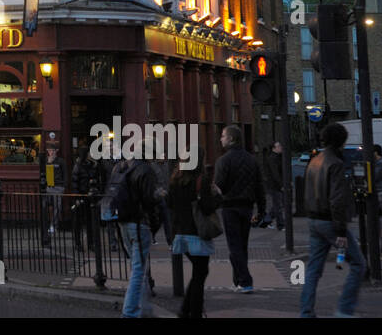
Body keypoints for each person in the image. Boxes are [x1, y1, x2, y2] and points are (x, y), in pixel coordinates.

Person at [301, 123, 365, 318]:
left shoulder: (314, 161)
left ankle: (306, 312)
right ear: (341, 141)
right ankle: (344, 310)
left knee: (313, 269)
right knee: (359, 265)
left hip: (314, 220)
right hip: (330, 221)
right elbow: (336, 200)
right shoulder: (335, 164)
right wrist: (340, 231)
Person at [105, 154, 162, 318]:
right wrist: (159, 196)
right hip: (139, 223)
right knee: (138, 269)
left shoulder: (121, 168)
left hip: (123, 222)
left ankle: (144, 309)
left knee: (138, 268)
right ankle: (130, 312)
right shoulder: (145, 170)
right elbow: (149, 200)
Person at [168, 150, 220, 318]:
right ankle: (193, 311)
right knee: (200, 272)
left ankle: (185, 310)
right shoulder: (201, 180)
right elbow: (207, 207)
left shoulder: (175, 180)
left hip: (180, 232)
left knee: (199, 271)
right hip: (197, 232)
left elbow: (169, 203)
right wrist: (218, 195)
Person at [214, 125, 266, 293]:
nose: (220, 138)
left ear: (231, 139)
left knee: (234, 245)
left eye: (223, 136)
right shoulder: (252, 160)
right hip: (247, 207)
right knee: (242, 244)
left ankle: (245, 281)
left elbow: (219, 186)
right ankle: (237, 280)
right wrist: (262, 209)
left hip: (230, 207)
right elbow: (259, 186)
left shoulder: (223, 161)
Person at [262, 141, 286, 231]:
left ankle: (266, 220)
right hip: (274, 185)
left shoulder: (278, 157)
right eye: (278, 146)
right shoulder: (272, 158)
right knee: (278, 205)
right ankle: (281, 225)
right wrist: (281, 185)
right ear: (273, 148)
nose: (281, 147)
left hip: (277, 184)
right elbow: (275, 173)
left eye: (280, 145)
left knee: (278, 205)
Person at [44, 144, 66, 234]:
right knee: (47, 207)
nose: (51, 152)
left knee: (57, 207)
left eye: (52, 150)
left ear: (56, 151)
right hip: (49, 187)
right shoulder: (46, 161)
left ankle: (54, 225)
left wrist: (63, 186)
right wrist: (49, 163)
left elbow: (65, 174)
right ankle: (48, 225)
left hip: (58, 187)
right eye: (49, 150)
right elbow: (46, 176)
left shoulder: (61, 161)